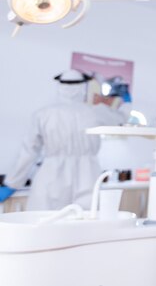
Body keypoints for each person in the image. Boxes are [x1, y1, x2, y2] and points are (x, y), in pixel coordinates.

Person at [0, 69, 126, 211]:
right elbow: (123, 120)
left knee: (47, 223)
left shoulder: (43, 114)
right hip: (88, 175)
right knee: (84, 223)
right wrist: (124, 99)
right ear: (83, 87)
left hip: (52, 175)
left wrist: (12, 183)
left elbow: (29, 151)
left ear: (59, 86)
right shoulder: (96, 112)